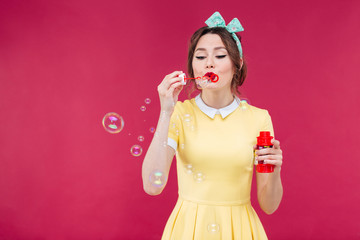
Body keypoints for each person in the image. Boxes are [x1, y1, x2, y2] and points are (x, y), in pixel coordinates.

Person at [142, 11, 283, 240]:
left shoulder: (260, 119)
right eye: (200, 57)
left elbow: (269, 205)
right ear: (192, 68)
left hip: (241, 230)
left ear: (237, 64)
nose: (209, 63)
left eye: (220, 56)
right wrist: (166, 110)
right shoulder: (178, 113)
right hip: (189, 229)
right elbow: (152, 186)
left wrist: (275, 172)